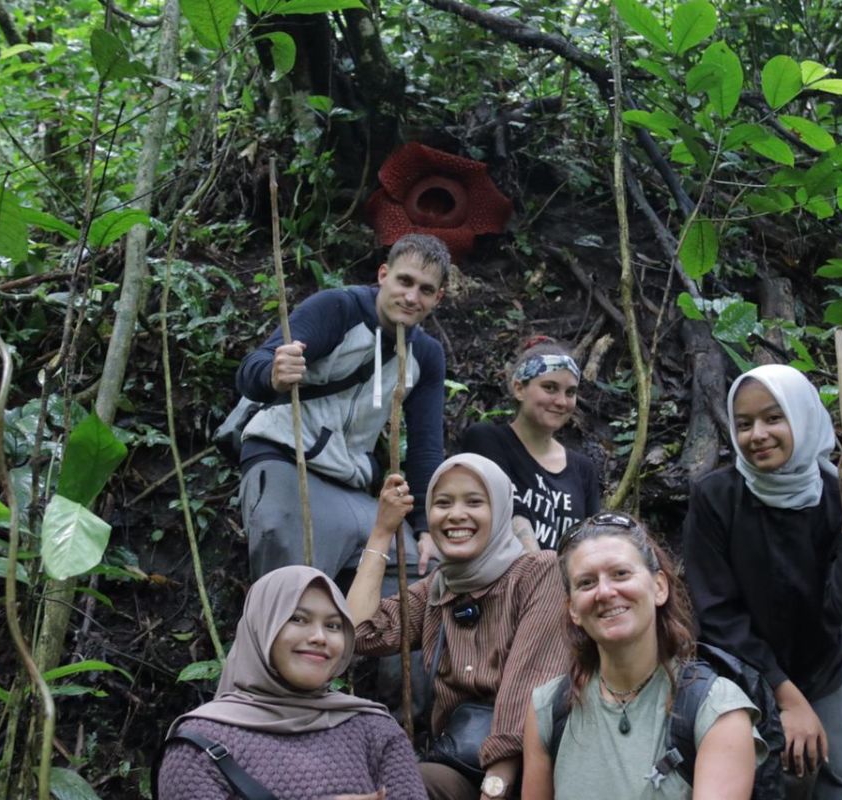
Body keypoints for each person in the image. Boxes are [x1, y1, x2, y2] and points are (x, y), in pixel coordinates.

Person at [680, 364, 842, 800]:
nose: (758, 434)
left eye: (774, 418)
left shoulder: (840, 495)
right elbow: (717, 612)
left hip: (819, 670)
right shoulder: (716, 496)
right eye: (744, 424)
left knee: (835, 788)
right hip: (739, 671)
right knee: (761, 784)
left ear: (802, 418)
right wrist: (785, 697)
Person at [347, 453, 571, 800]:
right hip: (460, 762)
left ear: (499, 510)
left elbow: (527, 687)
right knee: (392, 787)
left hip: (532, 766)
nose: (456, 515)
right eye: (443, 503)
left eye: (474, 502)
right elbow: (359, 633)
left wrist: (495, 788)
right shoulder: (439, 587)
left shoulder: (539, 572)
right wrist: (382, 533)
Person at [235, 232, 451, 582]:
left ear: (438, 297)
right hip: (288, 460)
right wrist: (274, 374)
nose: (412, 297)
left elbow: (426, 446)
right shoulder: (339, 308)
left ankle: (355, 636)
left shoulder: (425, 355)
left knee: (421, 575)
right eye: (404, 281)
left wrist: (425, 527)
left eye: (425, 290)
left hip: (351, 487)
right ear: (383, 274)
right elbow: (251, 368)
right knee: (295, 582)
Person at [522, 513, 763, 800]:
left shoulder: (716, 710)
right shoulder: (550, 708)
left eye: (621, 574)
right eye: (586, 583)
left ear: (659, 587)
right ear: (573, 609)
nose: (605, 592)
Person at [156, 565, 427, 800]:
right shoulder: (198, 744)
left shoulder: (376, 731)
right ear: (261, 628)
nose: (320, 637)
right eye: (298, 619)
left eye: (333, 625)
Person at [459, 338, 600, 552]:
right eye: (550, 388)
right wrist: (538, 573)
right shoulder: (487, 440)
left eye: (570, 392)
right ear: (519, 388)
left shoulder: (583, 469)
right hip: (505, 579)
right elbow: (509, 509)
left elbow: (590, 543)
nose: (562, 401)